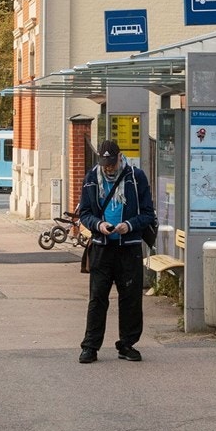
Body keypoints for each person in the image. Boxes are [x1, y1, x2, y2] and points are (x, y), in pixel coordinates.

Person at [77, 139, 156, 363]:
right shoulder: (92, 178)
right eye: (105, 164)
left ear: (120, 157)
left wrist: (128, 226)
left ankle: (127, 344)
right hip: (102, 247)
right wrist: (98, 225)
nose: (109, 168)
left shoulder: (136, 177)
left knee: (130, 298)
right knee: (97, 298)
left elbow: (148, 213)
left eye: (112, 163)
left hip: (128, 247)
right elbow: (84, 213)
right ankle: (90, 347)